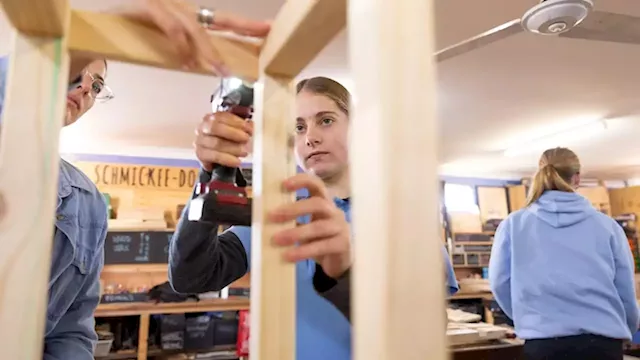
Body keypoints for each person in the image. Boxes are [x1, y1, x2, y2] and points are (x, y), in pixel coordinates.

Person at [0, 1, 270, 358]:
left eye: (97, 86)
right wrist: (92, 36)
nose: (85, 88)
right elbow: (189, 276)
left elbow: (70, 328)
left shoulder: (88, 202)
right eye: (77, 74)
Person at [168, 76, 459, 360]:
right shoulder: (278, 211)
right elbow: (190, 276)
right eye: (299, 127)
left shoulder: (407, 219)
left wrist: (343, 275)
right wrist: (213, 174)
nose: (311, 137)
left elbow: (424, 338)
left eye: (326, 120)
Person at [489, 147, 639, 360]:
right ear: (577, 178)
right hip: (602, 343)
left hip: (544, 343)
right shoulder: (607, 226)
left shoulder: (513, 225)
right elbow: (625, 287)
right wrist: (628, 329)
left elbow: (499, 282)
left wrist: (529, 317)